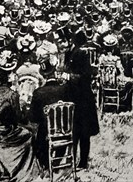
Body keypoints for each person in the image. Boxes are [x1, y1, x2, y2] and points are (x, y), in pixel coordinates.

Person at [0, 50, 39, 182]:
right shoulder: (12, 95)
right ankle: (23, 173)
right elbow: (18, 118)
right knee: (30, 134)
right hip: (7, 135)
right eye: (11, 73)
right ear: (8, 77)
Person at [29, 48, 72, 170]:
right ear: (54, 72)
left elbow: (34, 118)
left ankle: (45, 164)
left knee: (36, 133)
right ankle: (58, 162)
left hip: (47, 135)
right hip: (65, 132)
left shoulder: (38, 93)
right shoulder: (65, 89)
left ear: (43, 75)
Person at [62, 30, 100, 170]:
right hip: (85, 97)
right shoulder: (82, 53)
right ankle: (82, 161)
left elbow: (72, 71)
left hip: (77, 97)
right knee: (84, 132)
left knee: (76, 131)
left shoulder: (77, 53)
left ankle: (76, 160)